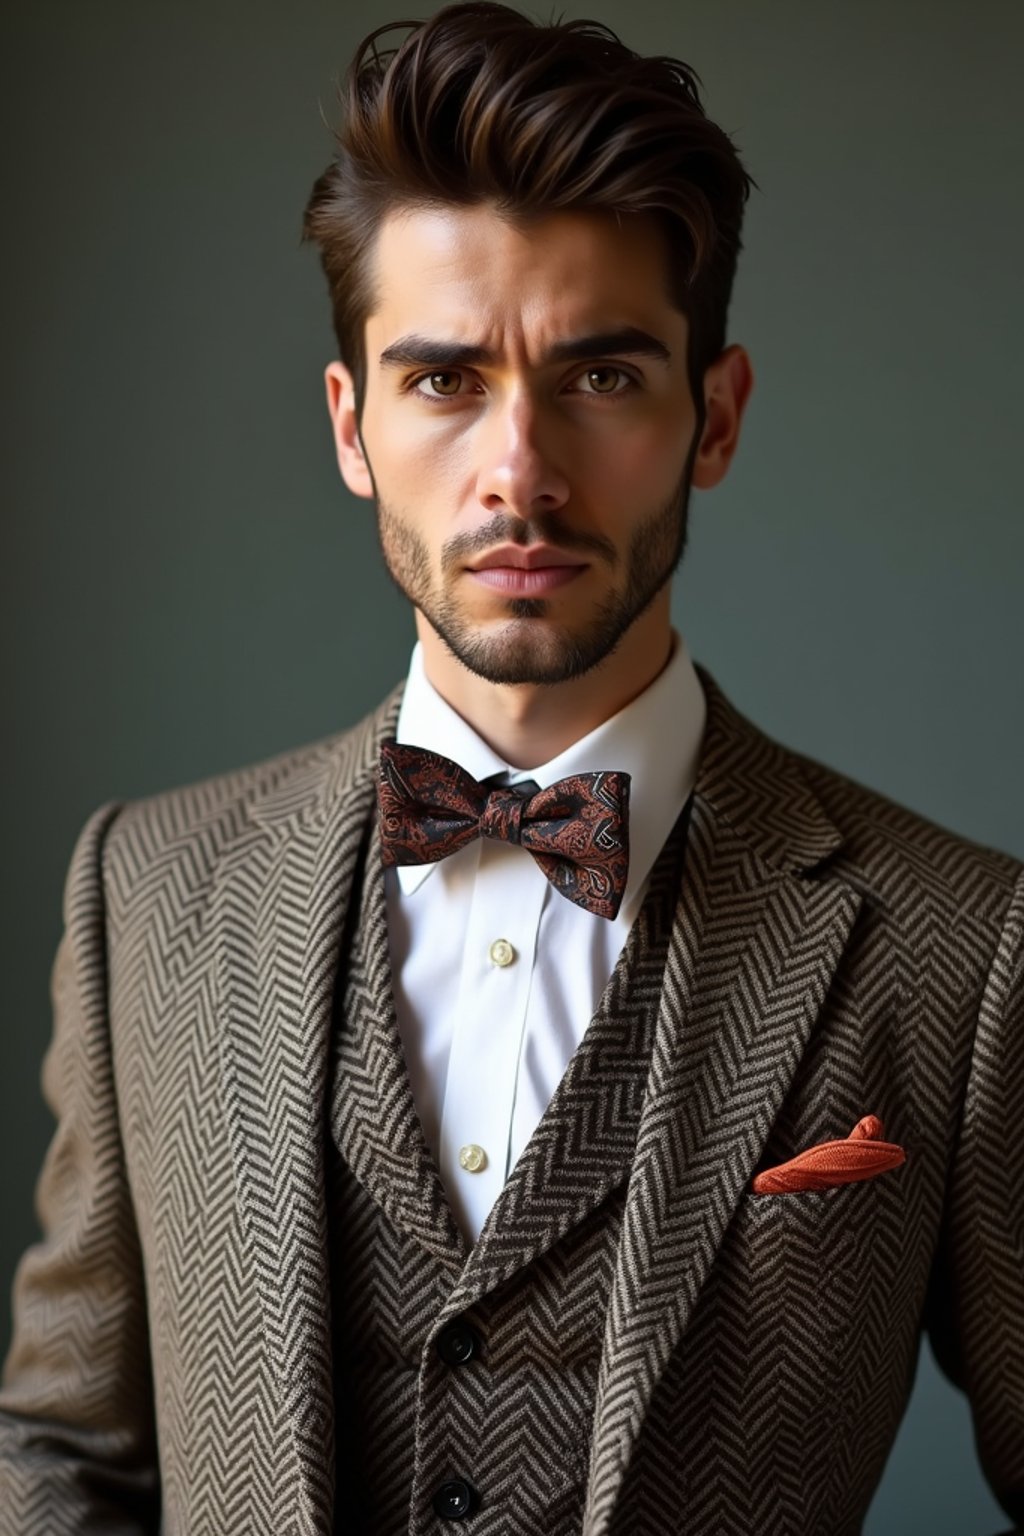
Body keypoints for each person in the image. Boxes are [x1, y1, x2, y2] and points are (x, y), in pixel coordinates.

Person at [1, 3, 1022, 1532]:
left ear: (715, 417)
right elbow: (60, 1452)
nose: (521, 470)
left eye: (602, 378)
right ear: (350, 426)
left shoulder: (963, 944)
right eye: (443, 380)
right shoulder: (146, 894)